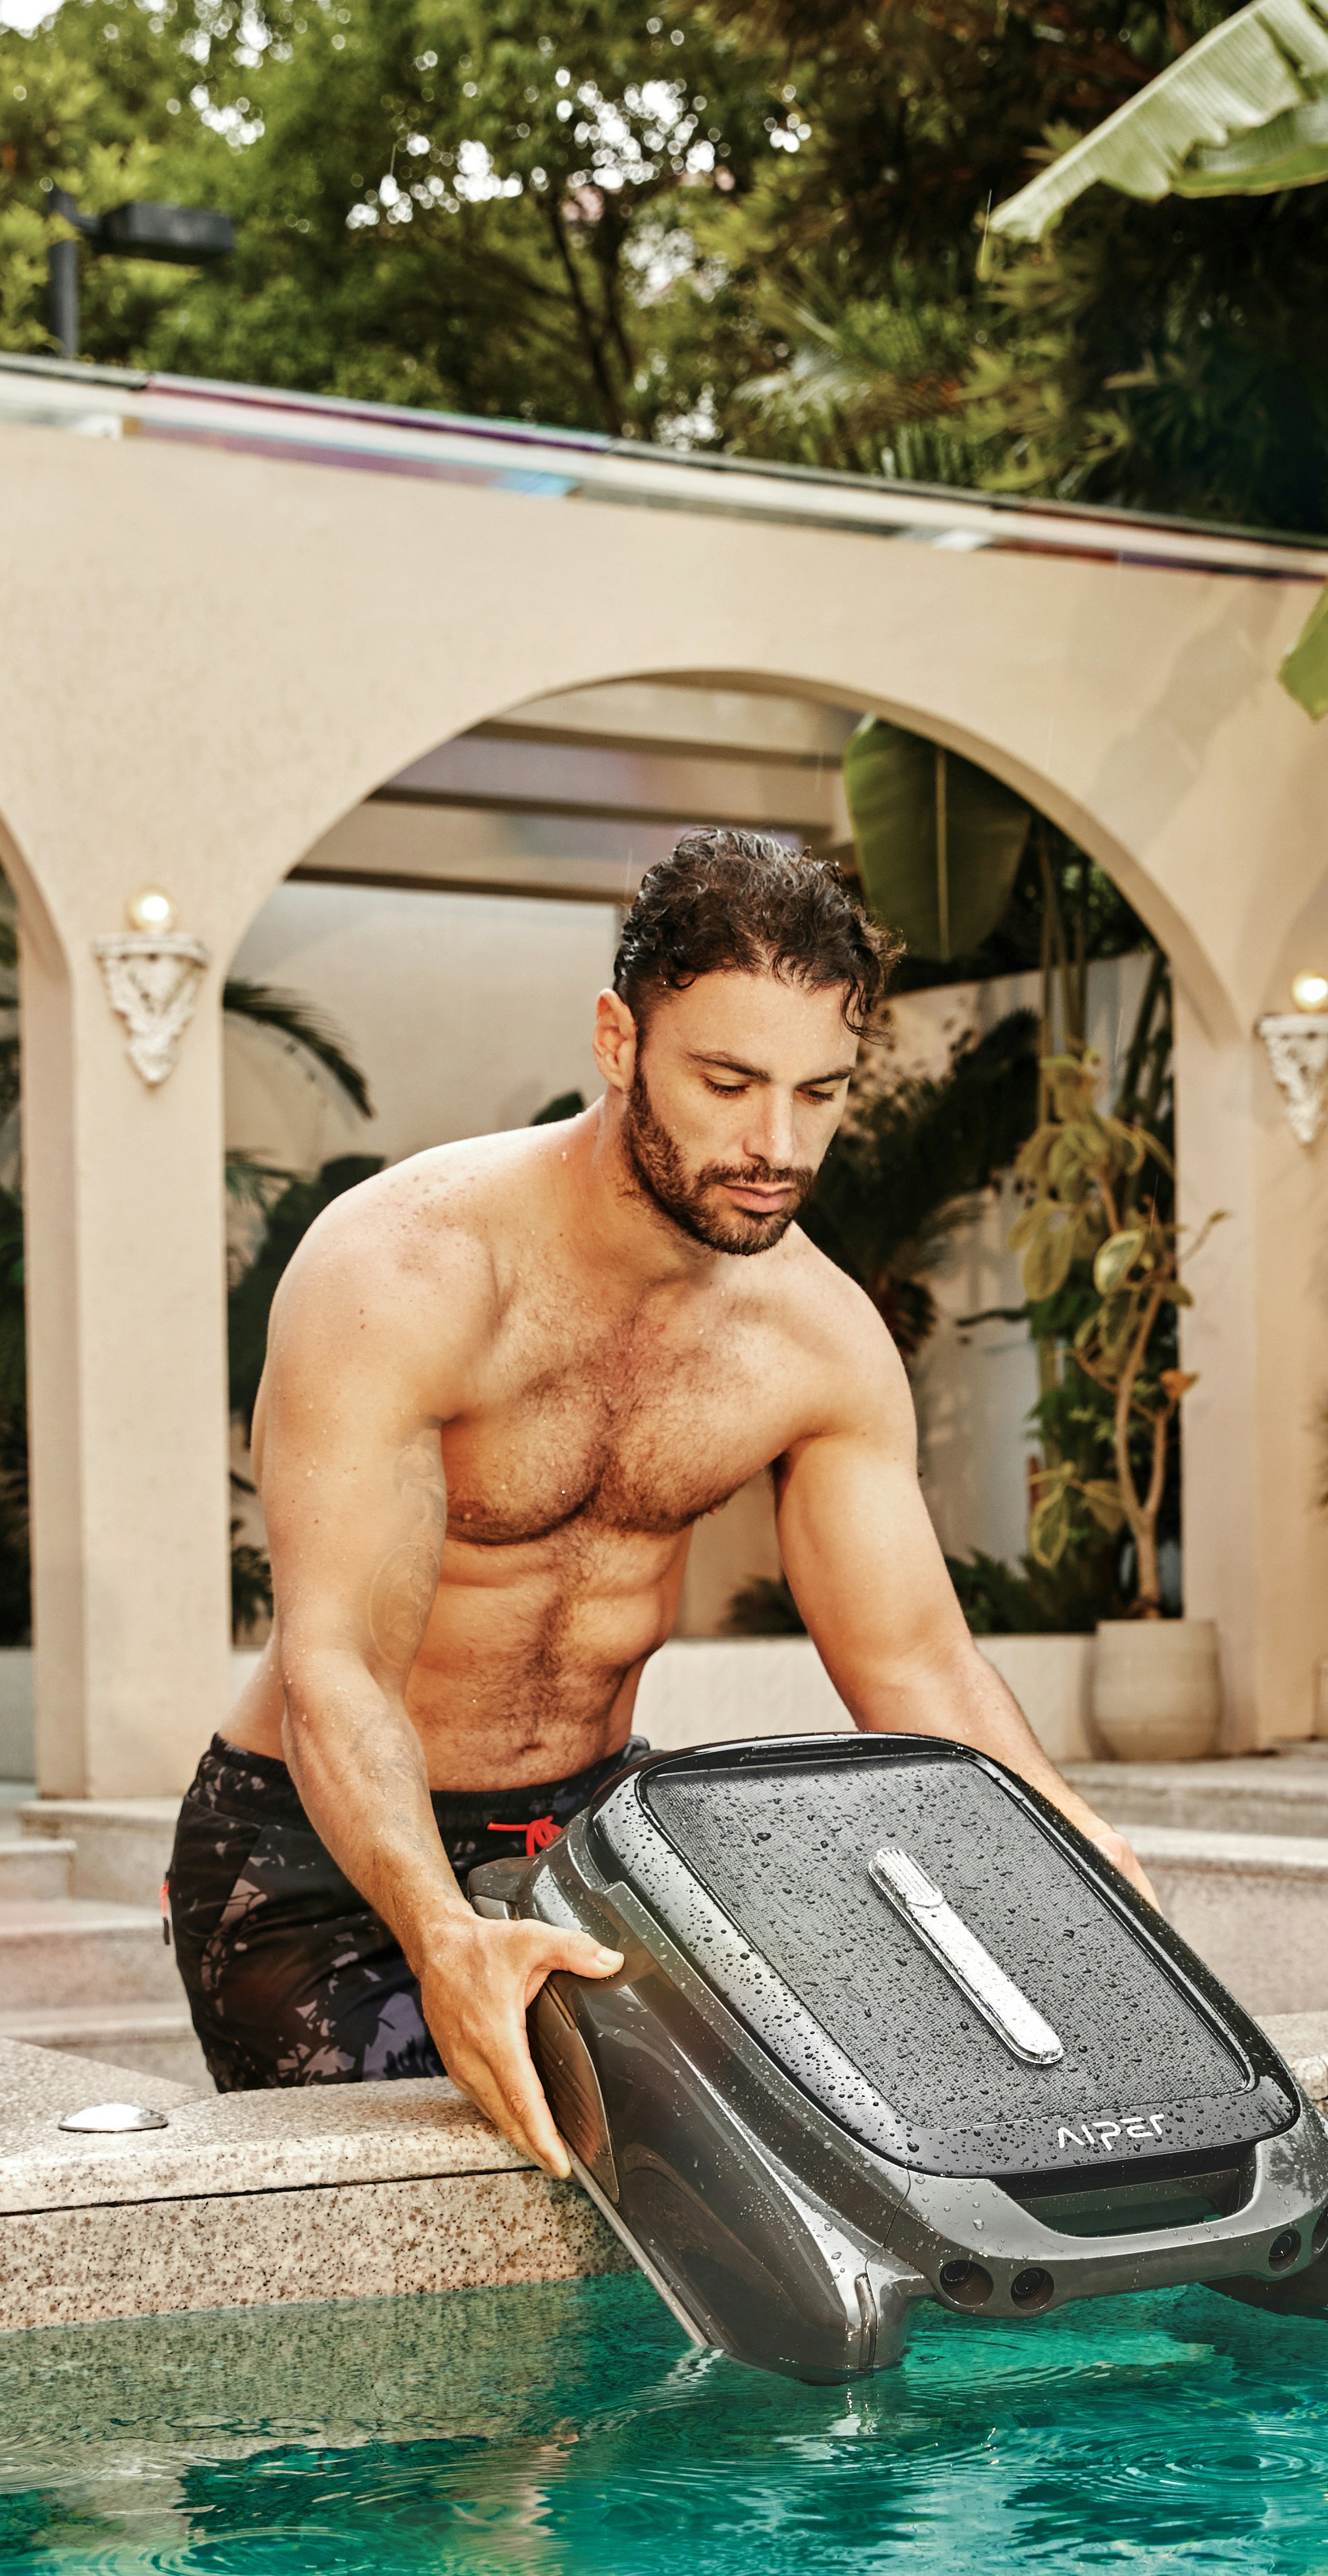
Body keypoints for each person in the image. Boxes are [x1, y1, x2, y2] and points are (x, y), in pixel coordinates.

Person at [169, 827, 1152, 2169]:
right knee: (482, 2217)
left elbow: (916, 1661)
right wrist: (443, 1932)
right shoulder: (404, 1273)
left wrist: (1070, 1846)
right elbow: (336, 1666)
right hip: (315, 1868)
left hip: (588, 1831)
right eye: (728, 1081)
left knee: (769, 2163)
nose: (774, 1143)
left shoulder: (815, 1337)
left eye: (820, 1093)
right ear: (617, 1039)